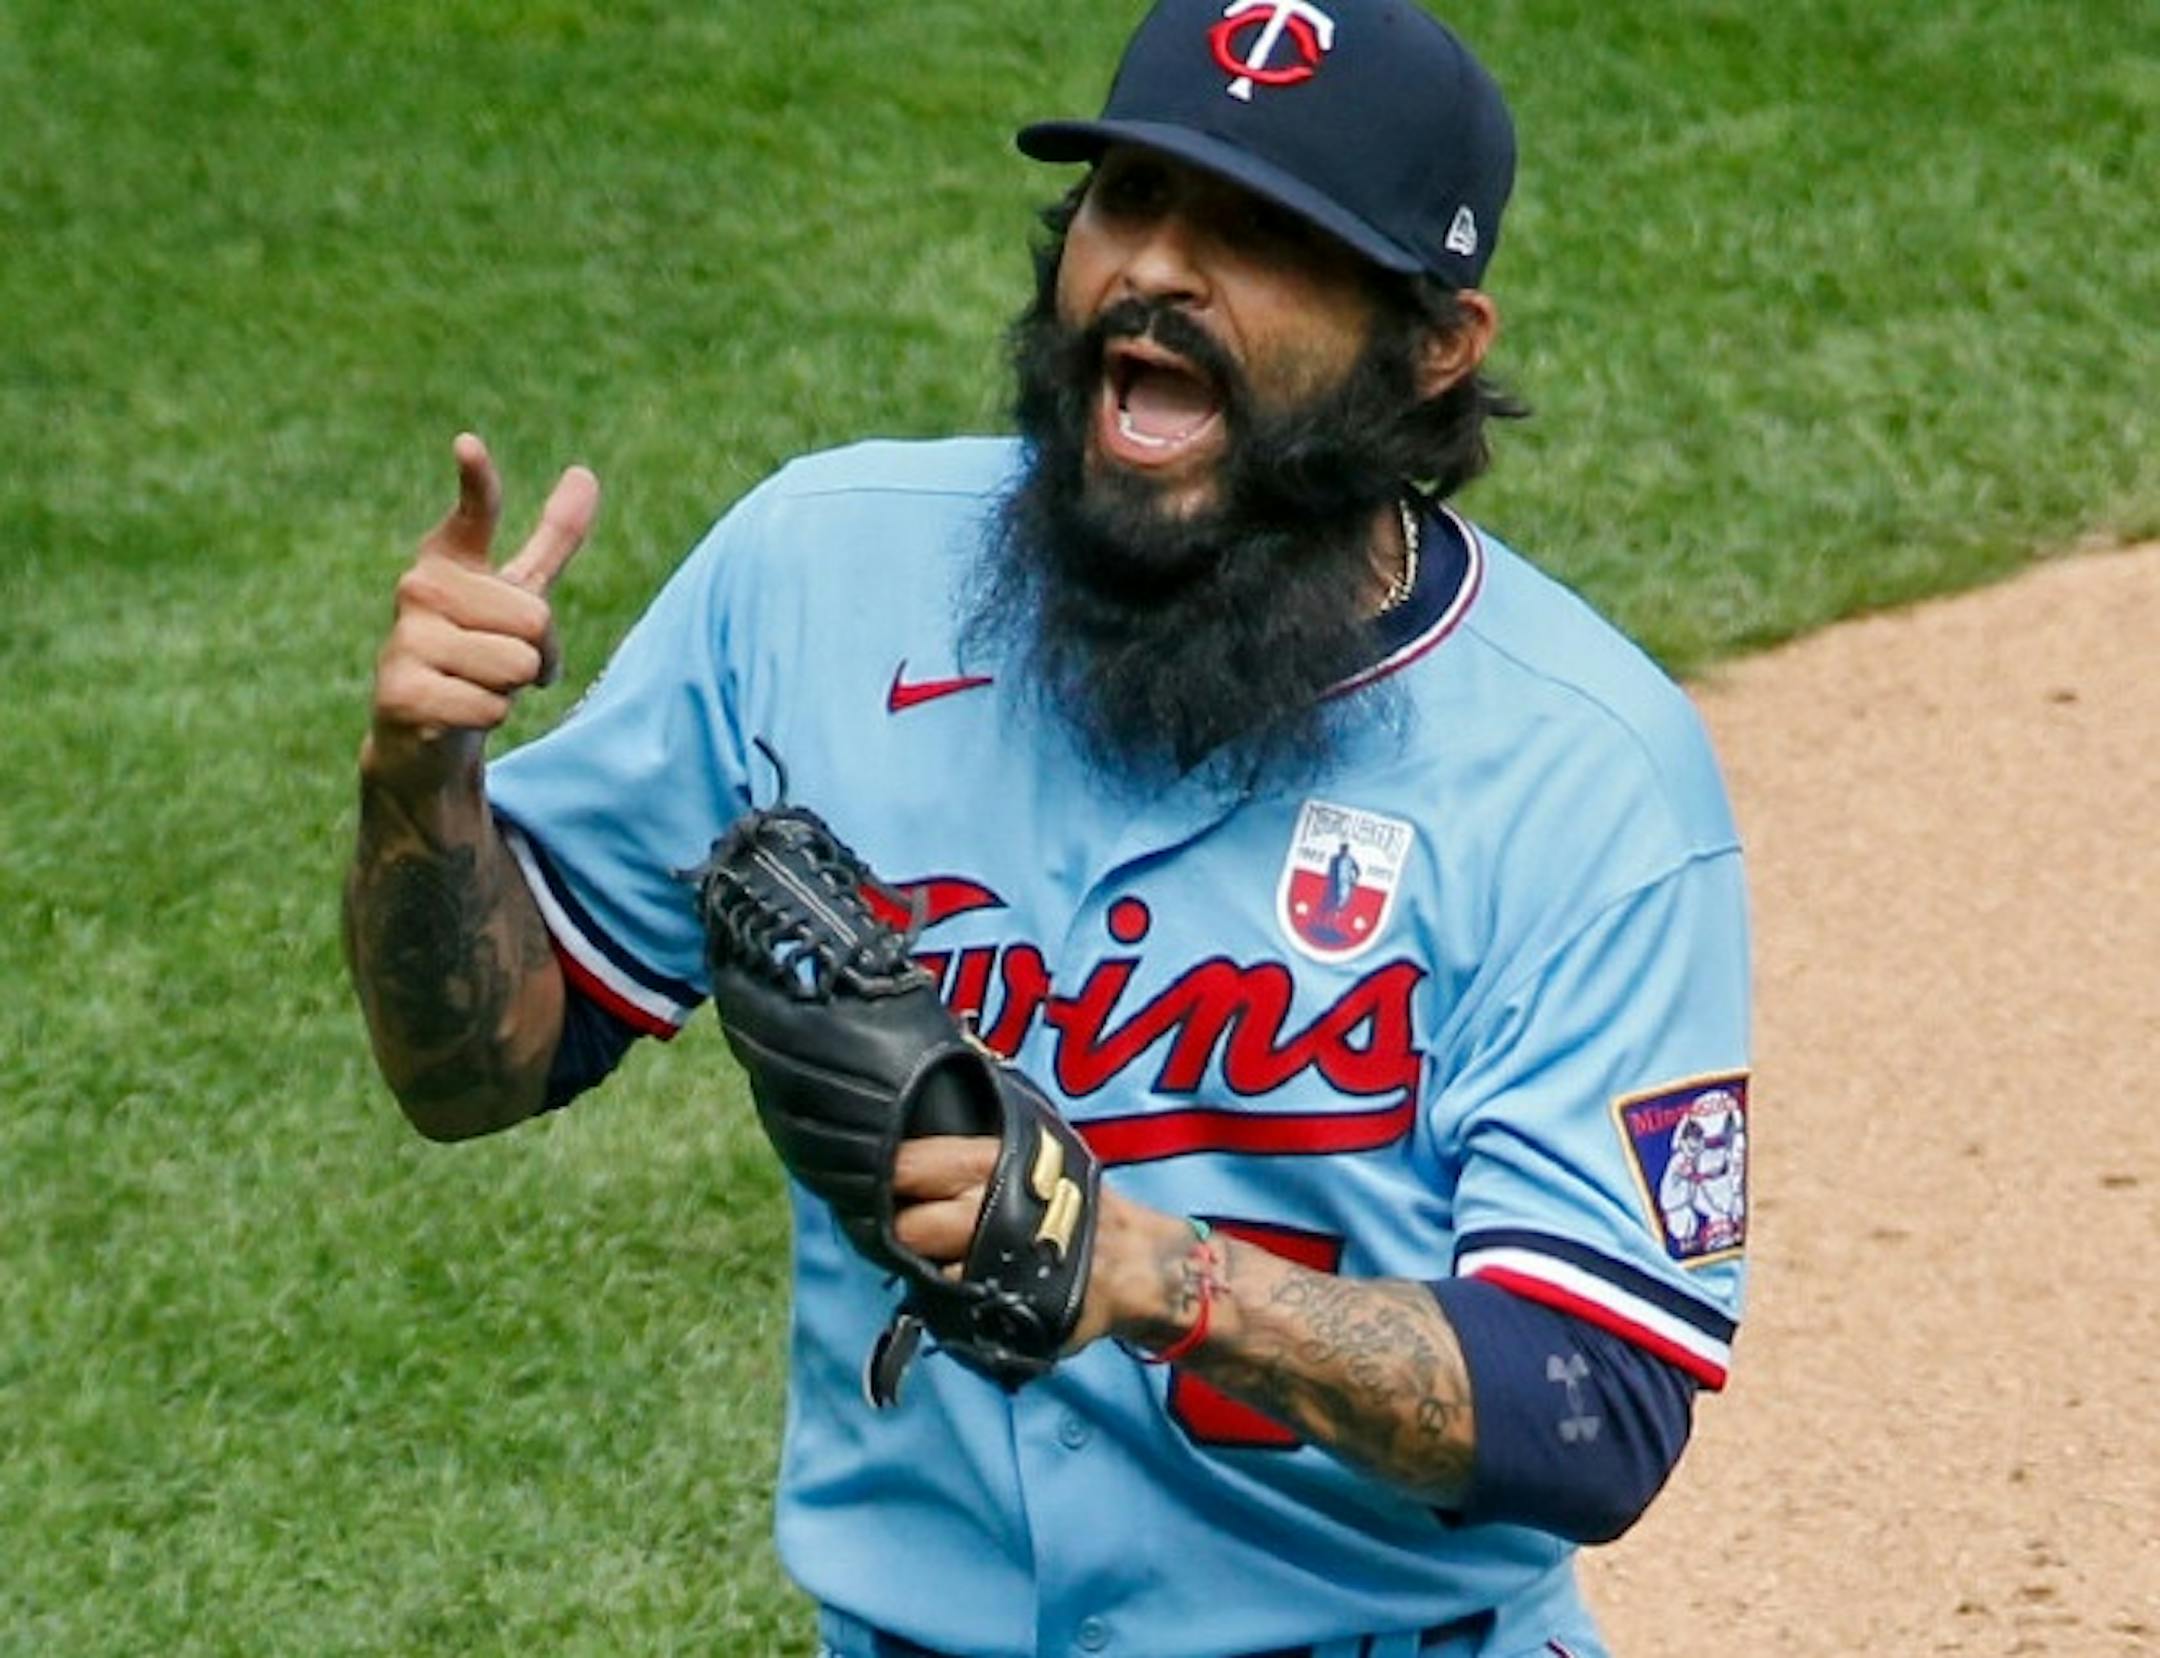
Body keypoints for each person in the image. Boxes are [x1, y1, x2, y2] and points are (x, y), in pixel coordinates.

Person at [343, 2, 1752, 1653]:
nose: (1158, 272)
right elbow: (476, 1067)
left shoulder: (1588, 774)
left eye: (1261, 236)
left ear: (1436, 341)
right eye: (1130, 200)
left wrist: (1153, 1275)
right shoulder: (814, 578)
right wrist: (420, 778)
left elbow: (1594, 1402)